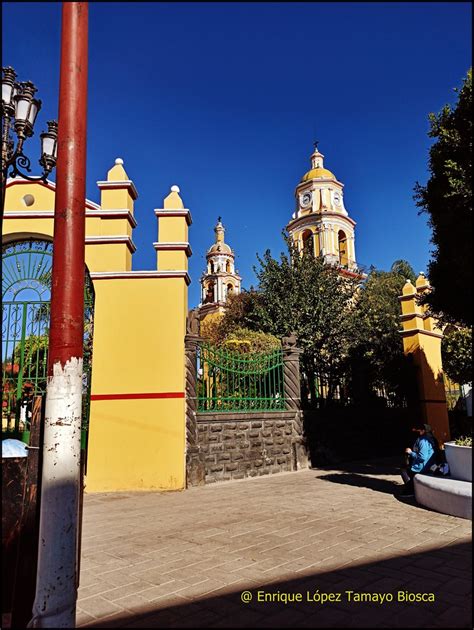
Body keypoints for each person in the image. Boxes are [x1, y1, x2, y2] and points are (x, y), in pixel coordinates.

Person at [400, 421, 437, 497]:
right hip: (428, 465)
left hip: (422, 467)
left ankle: (411, 489)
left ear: (423, 431)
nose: (415, 431)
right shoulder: (430, 439)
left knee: (404, 470)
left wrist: (411, 453)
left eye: (418, 430)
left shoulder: (423, 441)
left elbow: (422, 457)